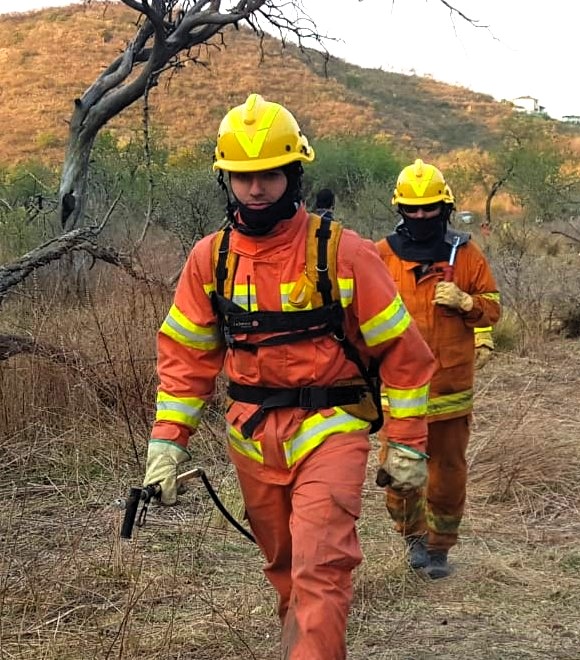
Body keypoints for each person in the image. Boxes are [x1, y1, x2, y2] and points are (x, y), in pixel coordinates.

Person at [141, 94, 435, 659]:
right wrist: (167, 443)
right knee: (284, 568)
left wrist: (406, 444)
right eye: (244, 177)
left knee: (320, 566)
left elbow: (404, 355)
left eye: (270, 174)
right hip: (251, 438)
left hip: (332, 428)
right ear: (226, 180)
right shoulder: (210, 259)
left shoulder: (344, 253)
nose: (257, 189)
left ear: (293, 172)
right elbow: (186, 360)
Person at [375, 158, 501, 579]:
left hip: (451, 389)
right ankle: (411, 538)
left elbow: (494, 308)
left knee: (447, 475)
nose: (421, 215)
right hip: (399, 393)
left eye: (429, 208)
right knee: (399, 473)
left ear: (444, 207)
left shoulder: (465, 254)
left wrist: (468, 303)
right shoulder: (381, 256)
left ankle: (439, 547)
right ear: (400, 209)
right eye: (412, 208)